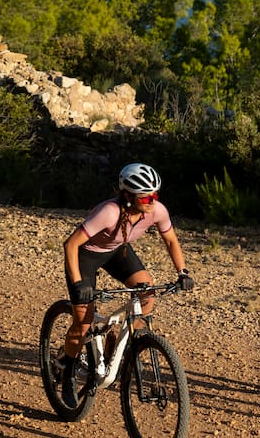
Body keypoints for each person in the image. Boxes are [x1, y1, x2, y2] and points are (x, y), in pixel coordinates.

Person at [60, 163, 195, 407]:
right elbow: (70, 244)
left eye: (155, 194)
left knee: (147, 294)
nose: (152, 200)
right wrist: (79, 283)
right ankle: (67, 370)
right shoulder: (109, 212)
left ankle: (125, 345)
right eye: (146, 196)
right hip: (85, 256)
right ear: (128, 195)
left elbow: (171, 240)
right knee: (83, 322)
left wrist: (182, 272)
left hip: (117, 252)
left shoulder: (157, 210)